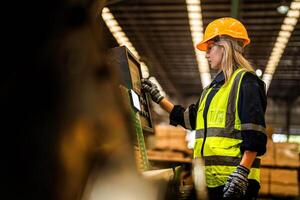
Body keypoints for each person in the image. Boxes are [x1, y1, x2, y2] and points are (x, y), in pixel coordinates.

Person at [142, 17, 267, 200]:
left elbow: (254, 135)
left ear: (224, 47)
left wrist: (241, 173)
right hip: (210, 182)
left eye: (209, 49)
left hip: (235, 182)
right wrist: (159, 98)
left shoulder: (247, 82)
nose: (206, 55)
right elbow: (191, 119)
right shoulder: (211, 89)